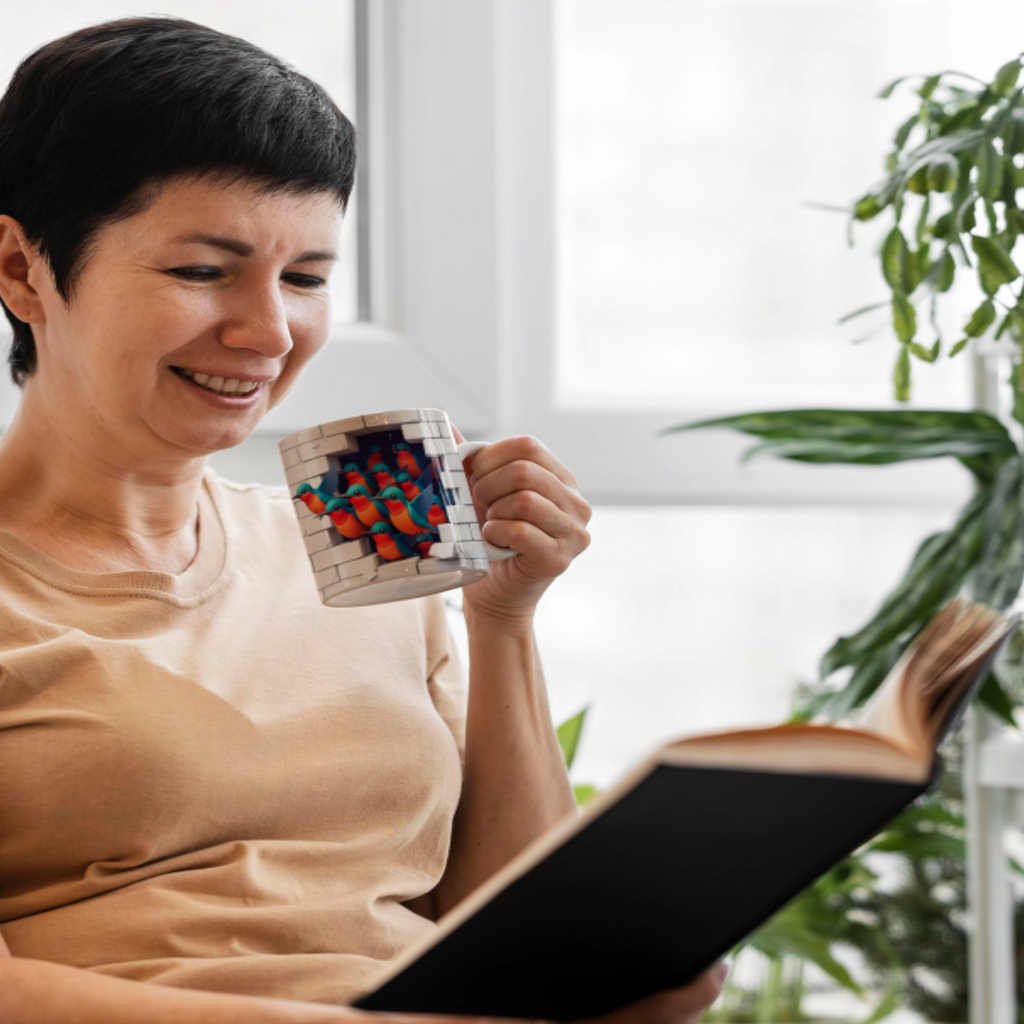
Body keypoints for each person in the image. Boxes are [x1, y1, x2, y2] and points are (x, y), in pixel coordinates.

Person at [0, 17, 726, 1024]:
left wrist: (501, 620)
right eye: (202, 271)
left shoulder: (354, 532)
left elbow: (524, 946)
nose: (268, 332)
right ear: (20, 268)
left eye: (304, 278)